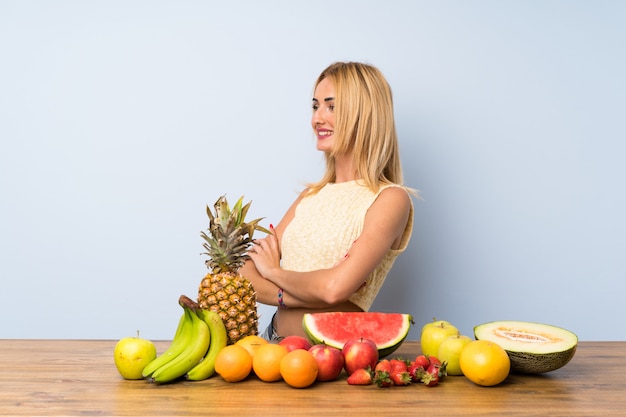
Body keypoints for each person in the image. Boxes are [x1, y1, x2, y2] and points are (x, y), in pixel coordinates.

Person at [242, 61, 415, 341]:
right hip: (271, 346)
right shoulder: (309, 197)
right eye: (315, 106)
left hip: (337, 358)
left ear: (364, 114)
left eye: (331, 107)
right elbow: (247, 272)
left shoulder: (390, 199)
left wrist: (273, 272)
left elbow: (334, 289)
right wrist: (306, 292)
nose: (317, 119)